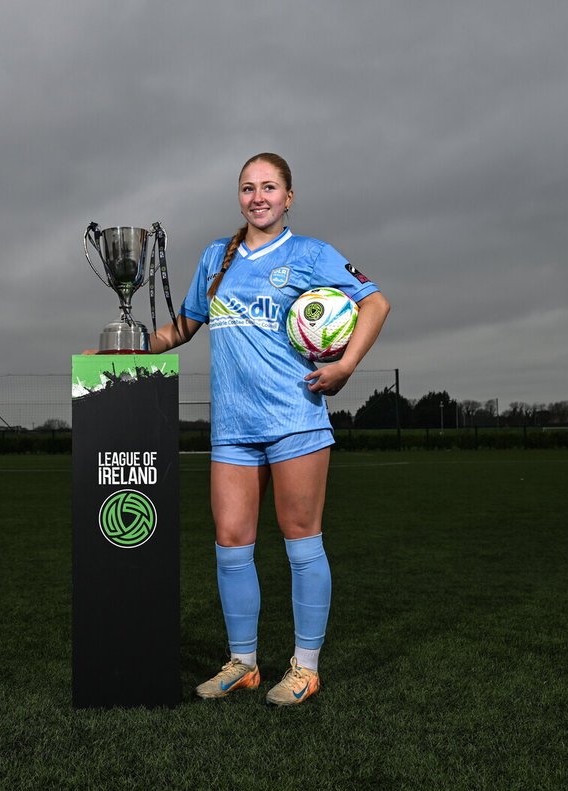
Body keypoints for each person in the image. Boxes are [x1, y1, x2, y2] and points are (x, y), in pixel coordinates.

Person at [149, 152, 390, 705]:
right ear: (240, 197)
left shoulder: (310, 254)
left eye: (269, 187)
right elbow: (186, 325)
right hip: (233, 426)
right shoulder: (217, 256)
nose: (258, 197)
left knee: (302, 543)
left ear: (289, 196)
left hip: (294, 419)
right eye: (248, 188)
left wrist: (345, 366)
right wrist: (138, 345)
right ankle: (243, 662)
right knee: (232, 543)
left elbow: (375, 303)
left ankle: (305, 667)